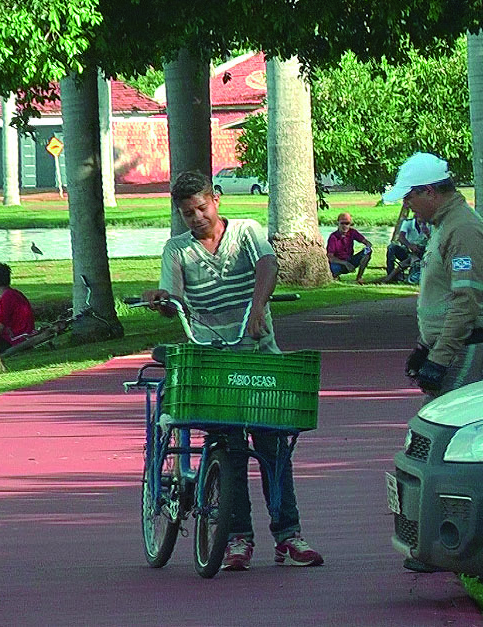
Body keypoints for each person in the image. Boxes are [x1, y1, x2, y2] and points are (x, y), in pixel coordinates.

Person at [143, 170, 323, 571]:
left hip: (259, 362)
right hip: (213, 366)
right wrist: (162, 299)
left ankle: (288, 535)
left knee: (274, 450)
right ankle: (237, 538)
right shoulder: (177, 250)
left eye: (202, 208)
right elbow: (173, 294)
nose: (196, 218)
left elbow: (267, 265)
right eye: (187, 213)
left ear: (216, 200)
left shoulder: (246, 231)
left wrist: (258, 307)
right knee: (231, 453)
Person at [385, 152, 483, 573]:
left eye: (410, 198)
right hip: (456, 349)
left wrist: (438, 357)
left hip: (470, 352)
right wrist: (426, 346)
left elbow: (466, 300)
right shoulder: (445, 227)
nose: (408, 207)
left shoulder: (464, 231)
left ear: (430, 192)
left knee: (458, 451)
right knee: (440, 449)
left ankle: (459, 546)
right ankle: (441, 541)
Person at [0, 262, 35, 351]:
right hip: (25, 334)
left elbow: (0, 327)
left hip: (15, 339)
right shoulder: (16, 293)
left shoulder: (5, 298)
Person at [327, 212, 372, 284]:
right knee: (333, 267)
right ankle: (334, 276)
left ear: (350, 224)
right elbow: (330, 258)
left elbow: (366, 242)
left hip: (350, 260)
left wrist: (368, 245)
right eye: (342, 223)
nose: (344, 226)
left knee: (367, 252)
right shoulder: (333, 237)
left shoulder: (352, 232)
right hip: (339, 263)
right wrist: (345, 263)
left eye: (347, 223)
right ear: (338, 223)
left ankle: (359, 277)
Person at [385, 214, 430, 283]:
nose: (421, 224)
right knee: (391, 247)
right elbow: (401, 237)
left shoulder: (429, 226)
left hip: (421, 251)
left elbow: (432, 240)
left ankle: (392, 276)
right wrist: (409, 246)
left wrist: (427, 233)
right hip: (407, 250)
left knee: (411, 259)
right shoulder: (407, 223)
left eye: (423, 222)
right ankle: (390, 272)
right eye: (419, 221)